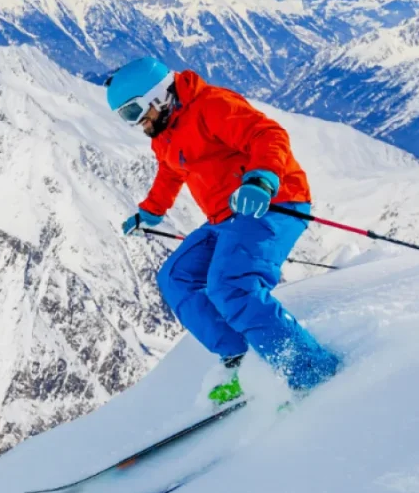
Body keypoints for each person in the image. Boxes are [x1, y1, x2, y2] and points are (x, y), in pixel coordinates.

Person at [108, 56, 343, 401]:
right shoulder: (164, 131)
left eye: (134, 111)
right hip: (226, 216)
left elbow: (268, 134)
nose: (136, 123)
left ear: (157, 96)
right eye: (125, 116)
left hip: (274, 202)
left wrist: (261, 178)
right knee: (176, 278)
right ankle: (242, 358)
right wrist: (151, 211)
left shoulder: (212, 106)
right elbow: (172, 170)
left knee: (232, 285)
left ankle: (311, 374)